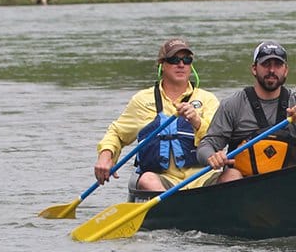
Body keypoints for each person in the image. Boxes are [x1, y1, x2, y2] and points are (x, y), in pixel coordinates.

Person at [94, 38, 221, 191]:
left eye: (186, 60)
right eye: (174, 59)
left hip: (204, 177)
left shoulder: (207, 99)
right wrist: (105, 156)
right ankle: (173, 210)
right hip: (163, 180)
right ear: (162, 64)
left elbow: (218, 137)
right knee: (147, 179)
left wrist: (196, 121)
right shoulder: (142, 100)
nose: (181, 65)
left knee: (233, 175)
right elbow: (117, 133)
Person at [197, 40, 296, 182]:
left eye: (278, 65)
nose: (272, 70)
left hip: (286, 184)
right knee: (231, 175)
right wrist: (212, 157)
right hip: (243, 187)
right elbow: (205, 146)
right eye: (266, 64)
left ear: (285, 70)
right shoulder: (232, 104)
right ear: (254, 69)